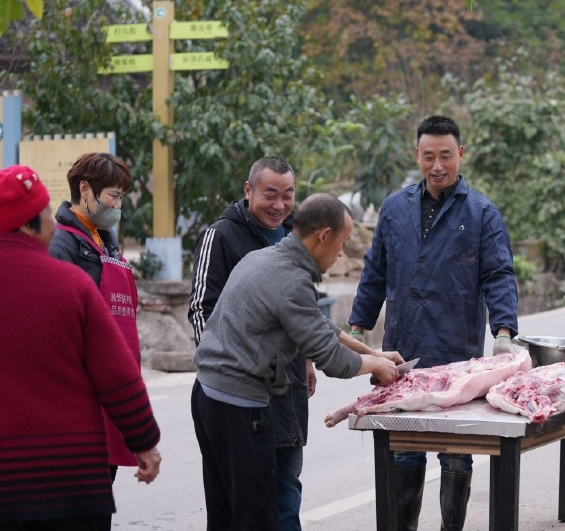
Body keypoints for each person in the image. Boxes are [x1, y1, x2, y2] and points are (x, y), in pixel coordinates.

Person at [346, 115, 520, 531]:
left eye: (446, 155)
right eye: (429, 156)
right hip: (400, 352)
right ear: (417, 156)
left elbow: (499, 275)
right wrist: (355, 329)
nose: (437, 165)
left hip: (456, 354)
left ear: (461, 154)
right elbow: (374, 273)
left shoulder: (482, 214)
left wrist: (504, 333)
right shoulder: (394, 209)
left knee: (456, 451)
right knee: (404, 449)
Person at [191, 193, 402, 531]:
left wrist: (373, 353)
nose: (340, 255)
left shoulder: (265, 259)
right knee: (255, 518)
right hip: (239, 408)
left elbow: (318, 327)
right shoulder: (290, 279)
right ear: (324, 235)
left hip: (208, 397)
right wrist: (377, 369)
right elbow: (331, 359)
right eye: (342, 243)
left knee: (225, 514)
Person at [0, 165, 162, 529]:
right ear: (29, 224)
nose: (53, 223)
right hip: (71, 477)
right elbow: (116, 373)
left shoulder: (104, 244)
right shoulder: (71, 283)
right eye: (45, 215)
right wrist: (144, 440)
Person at [189, 156, 318, 531]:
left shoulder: (298, 235)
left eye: (288, 195)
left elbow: (304, 311)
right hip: (238, 396)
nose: (279, 205)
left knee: (286, 491)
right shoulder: (222, 236)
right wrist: (225, 368)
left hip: (287, 389)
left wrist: (307, 358)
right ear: (248, 191)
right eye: (269, 195)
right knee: (240, 505)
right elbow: (201, 310)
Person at [48, 153, 140, 530]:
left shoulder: (107, 243)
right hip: (80, 393)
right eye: (113, 197)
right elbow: (58, 322)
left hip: (112, 386)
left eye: (121, 199)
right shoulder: (61, 246)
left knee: (103, 490)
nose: (117, 207)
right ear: (85, 190)